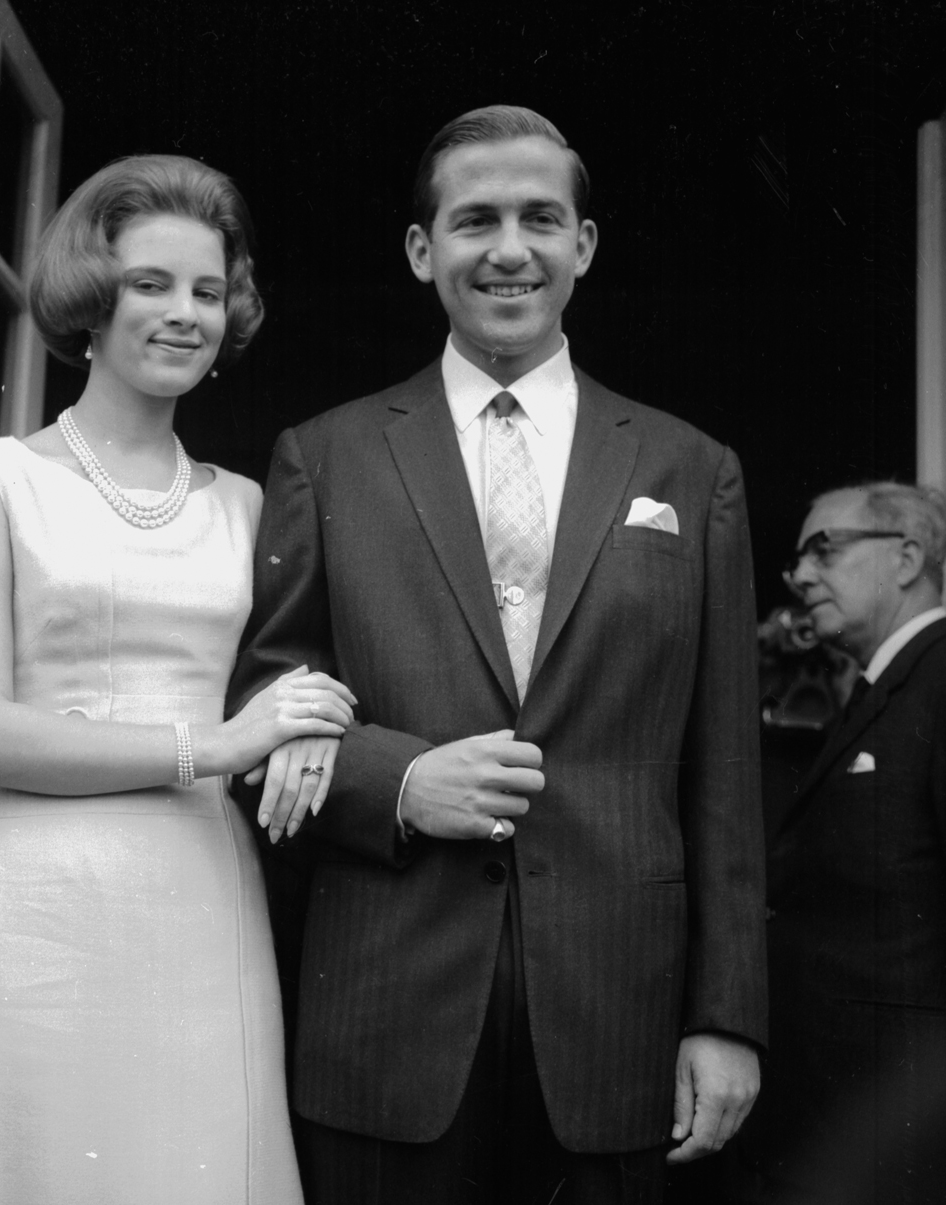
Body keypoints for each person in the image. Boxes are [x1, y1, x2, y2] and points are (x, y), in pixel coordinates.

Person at [228, 105, 769, 1204]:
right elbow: (259, 702)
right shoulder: (324, 457)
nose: (510, 248)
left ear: (585, 244)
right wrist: (398, 780)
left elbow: (725, 772)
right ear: (425, 250)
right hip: (386, 1009)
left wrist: (728, 1014)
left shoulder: (690, 467)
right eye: (475, 220)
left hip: (621, 1020)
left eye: (541, 218)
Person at [0, 154, 358, 1204]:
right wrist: (219, 742)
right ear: (92, 302)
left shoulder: (249, 505)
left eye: (207, 289)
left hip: (200, 900)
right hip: (36, 903)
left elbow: (306, 670)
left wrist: (309, 720)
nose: (184, 312)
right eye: (151, 283)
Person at [749, 482, 946, 1203]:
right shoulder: (880, 686)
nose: (801, 576)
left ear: (907, 557)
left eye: (823, 548)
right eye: (796, 561)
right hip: (845, 1114)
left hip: (901, 1125)